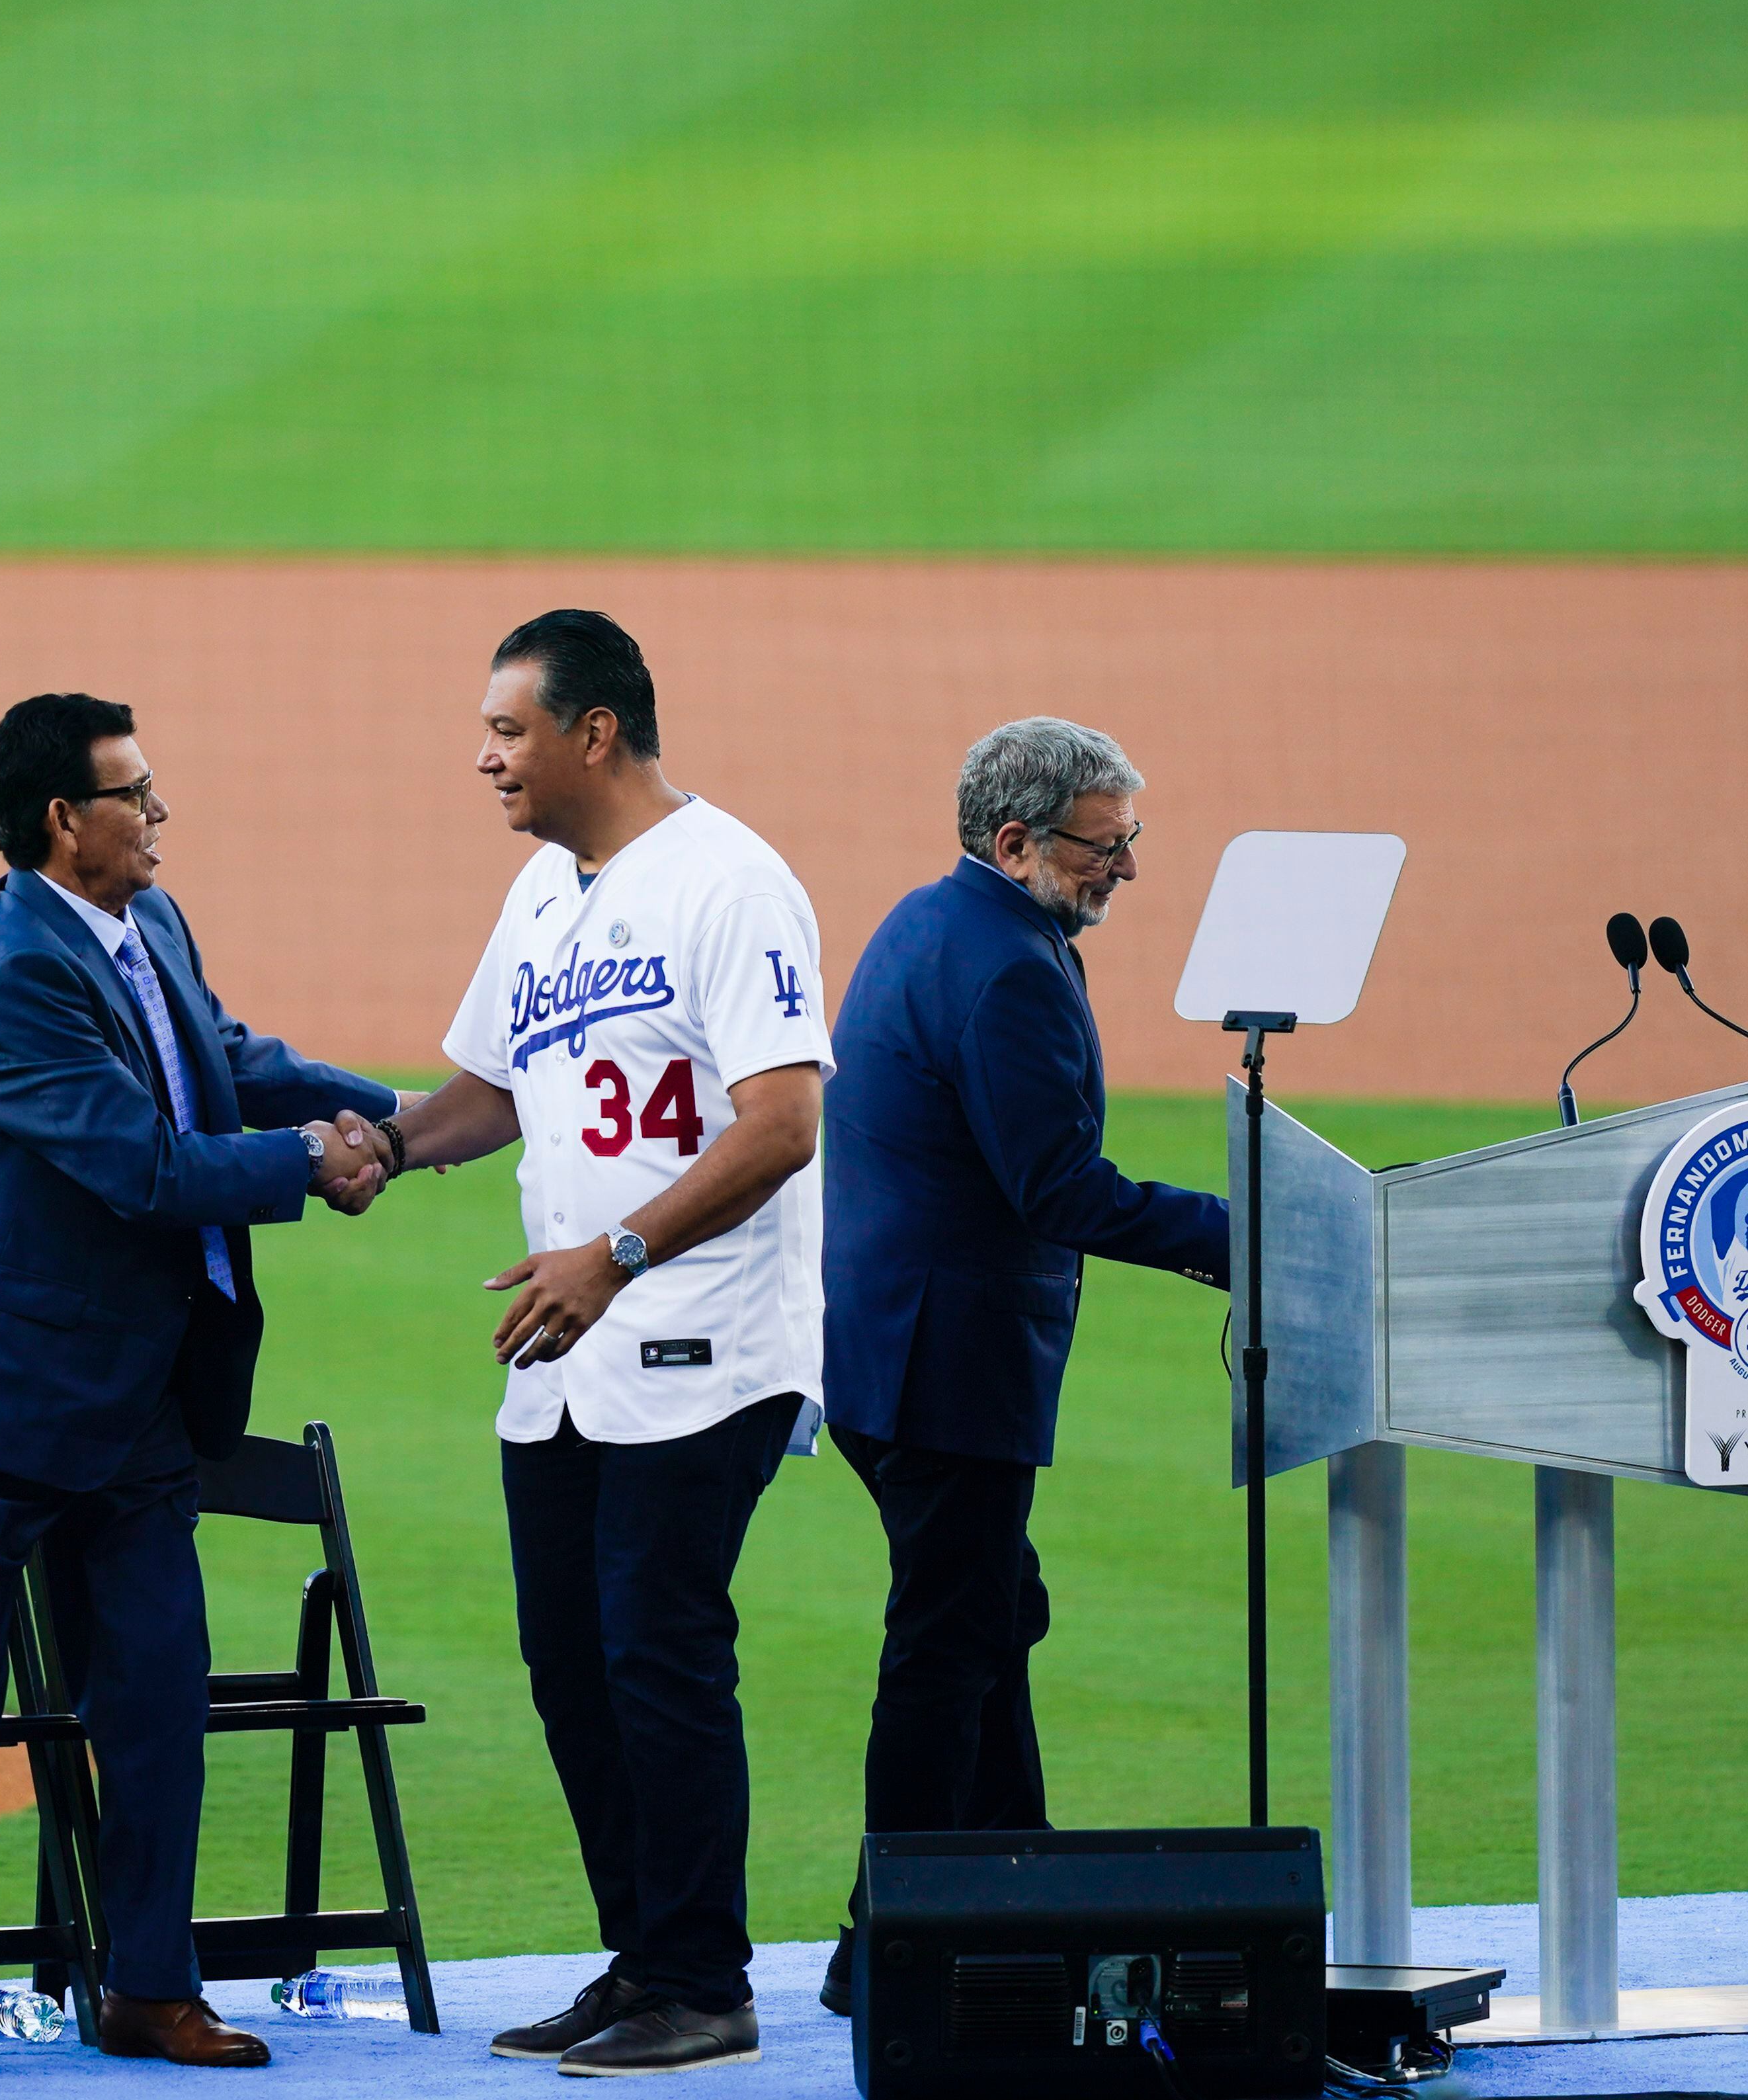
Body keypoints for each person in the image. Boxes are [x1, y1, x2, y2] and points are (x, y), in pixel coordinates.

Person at [0, 694, 400, 2081]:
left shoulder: (151, 922)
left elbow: (226, 1064)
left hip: (131, 1386)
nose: (159, 814)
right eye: (135, 795)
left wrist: (399, 1115)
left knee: (154, 1691)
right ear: (62, 823)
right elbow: (144, 1163)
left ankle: (147, 1986)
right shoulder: (13, 970)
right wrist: (318, 1163)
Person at [344, 610, 829, 2076]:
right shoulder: (547, 892)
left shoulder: (731, 882)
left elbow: (784, 1120)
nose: (484, 756)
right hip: (566, 1351)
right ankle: (645, 1956)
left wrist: (616, 1252)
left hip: (703, 1335)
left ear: (593, 730)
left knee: (658, 1645)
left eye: (506, 729)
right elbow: (489, 1088)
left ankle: (705, 1976)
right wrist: (371, 1146)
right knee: (572, 1660)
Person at [812, 718, 1229, 2015]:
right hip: (948, 1364)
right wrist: (1245, 1235)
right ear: (1015, 841)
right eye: (1103, 849)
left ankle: (1014, 1890)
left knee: (993, 1613)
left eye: (1127, 844)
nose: (1122, 872)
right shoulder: (1006, 966)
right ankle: (893, 1937)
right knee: (948, 1642)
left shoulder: (929, 921)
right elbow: (1058, 1187)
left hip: (891, 1350)